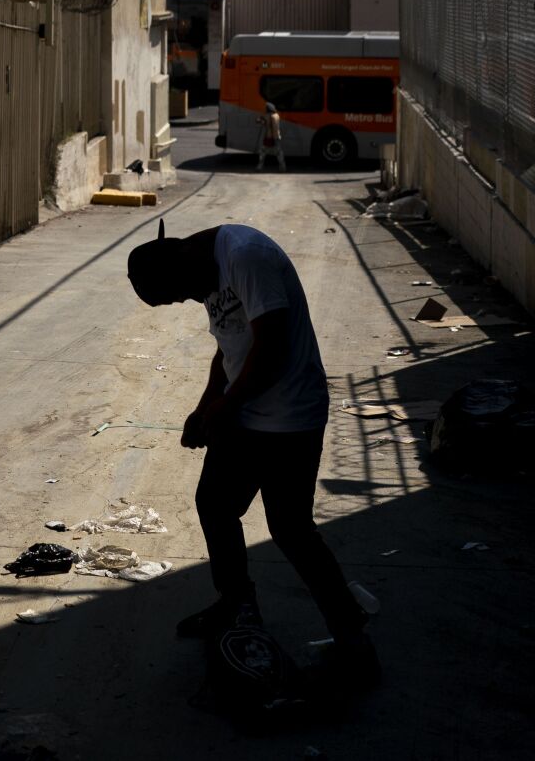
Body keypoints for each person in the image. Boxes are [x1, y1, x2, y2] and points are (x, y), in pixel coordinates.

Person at [126, 219, 378, 688]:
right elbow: (230, 348)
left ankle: (353, 641)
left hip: (289, 417)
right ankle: (236, 606)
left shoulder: (246, 255)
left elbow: (273, 346)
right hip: (246, 415)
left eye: (179, 294)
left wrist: (223, 408)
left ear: (181, 259)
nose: (188, 301)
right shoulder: (203, 269)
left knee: (291, 529)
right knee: (215, 505)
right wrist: (206, 405)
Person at [258, 102, 288, 171]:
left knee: (263, 152)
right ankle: (282, 167)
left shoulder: (268, 116)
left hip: (269, 137)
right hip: (277, 137)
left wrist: (260, 120)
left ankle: (260, 166)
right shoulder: (277, 115)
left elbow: (262, 122)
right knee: (279, 153)